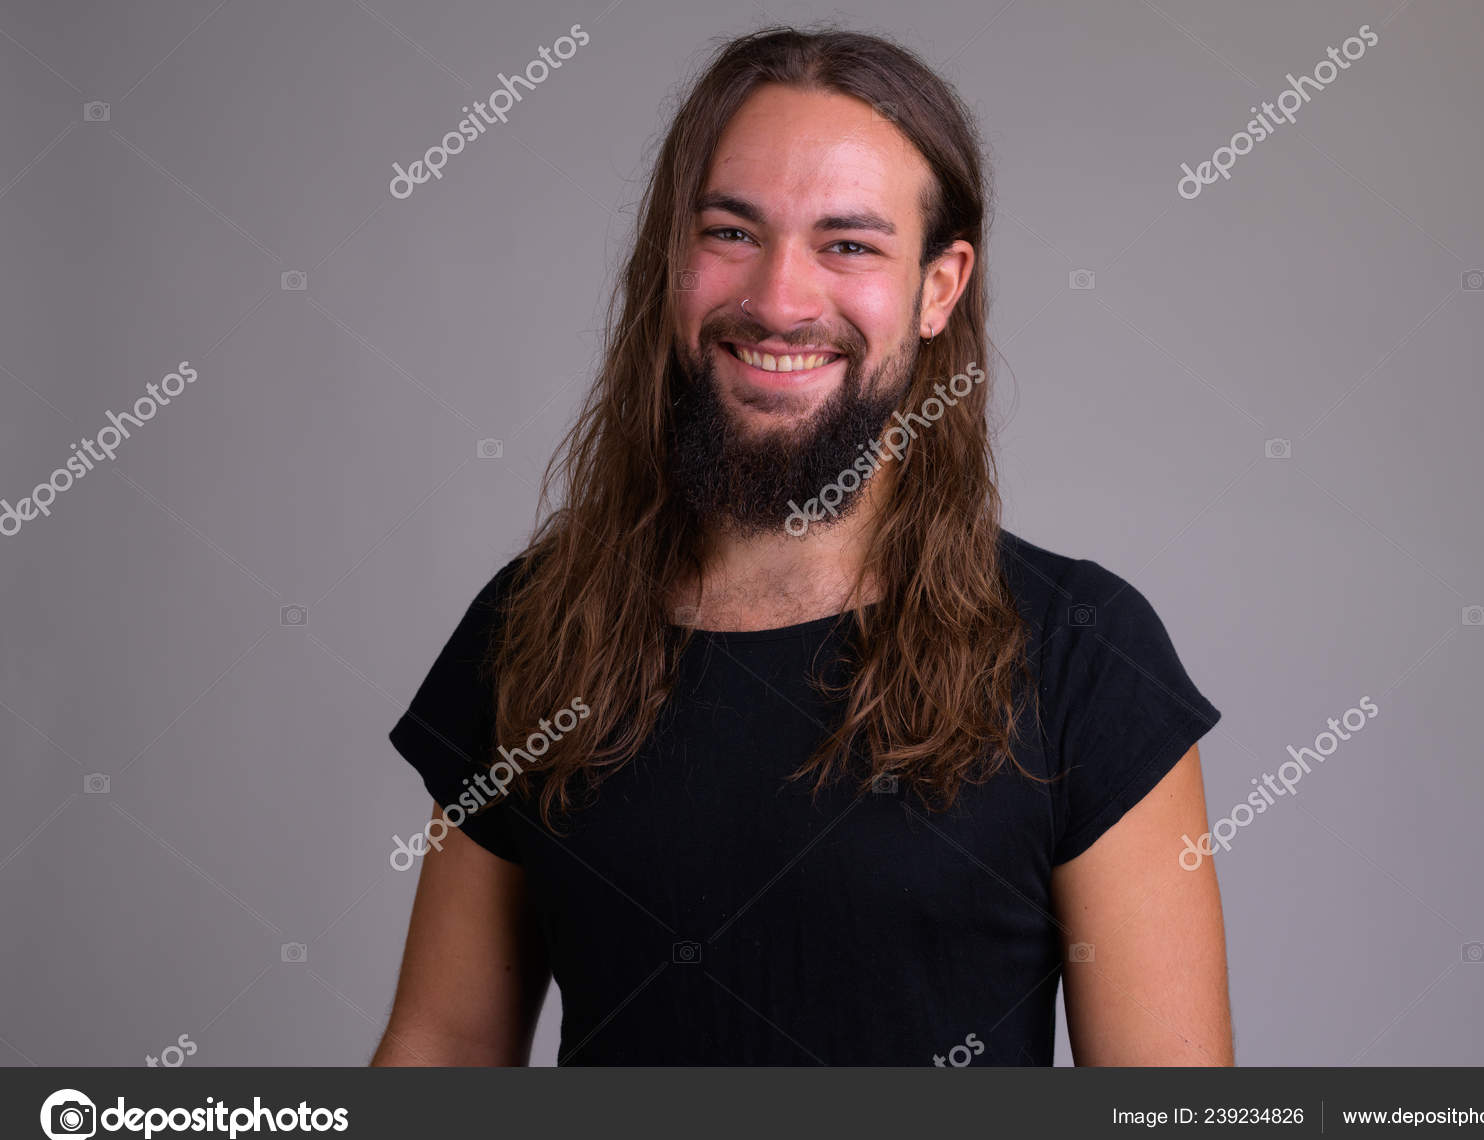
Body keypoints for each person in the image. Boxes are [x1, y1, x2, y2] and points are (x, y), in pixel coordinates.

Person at [373, 26, 1231, 1067]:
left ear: (938, 288)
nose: (778, 301)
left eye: (849, 245)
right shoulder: (531, 629)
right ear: (671, 260)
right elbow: (443, 1049)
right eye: (731, 232)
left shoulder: (1081, 652)